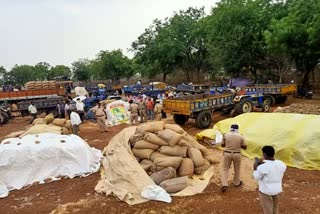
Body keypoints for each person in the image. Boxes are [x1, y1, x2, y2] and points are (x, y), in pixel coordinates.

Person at [253, 146, 286, 214]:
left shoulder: (262, 167)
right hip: (277, 190)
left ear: (264, 154)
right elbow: (275, 166)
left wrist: (255, 166)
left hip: (266, 191)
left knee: (268, 210)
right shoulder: (281, 163)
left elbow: (256, 177)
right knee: (275, 207)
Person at [221, 124, 247, 192]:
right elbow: (245, 147)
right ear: (237, 129)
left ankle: (224, 184)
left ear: (231, 128)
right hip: (237, 154)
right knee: (237, 169)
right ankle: (236, 183)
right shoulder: (241, 136)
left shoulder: (225, 135)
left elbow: (222, 145)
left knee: (225, 169)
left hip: (227, 153)